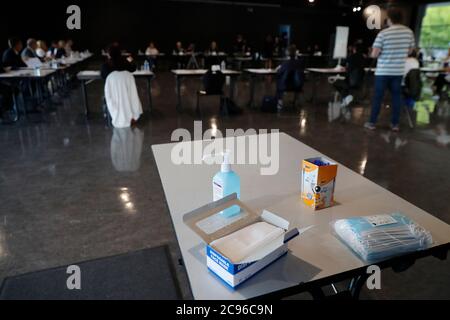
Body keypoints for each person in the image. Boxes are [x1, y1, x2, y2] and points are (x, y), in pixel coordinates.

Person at [364, 7, 415, 132]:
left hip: (383, 71)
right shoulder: (409, 32)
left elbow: (374, 54)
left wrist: (376, 53)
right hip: (397, 71)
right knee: (397, 97)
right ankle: (395, 124)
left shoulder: (383, 33)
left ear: (389, 19)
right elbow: (410, 51)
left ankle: (372, 123)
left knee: (378, 97)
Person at [275, 44, 305, 111]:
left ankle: (279, 102)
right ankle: (296, 100)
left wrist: (278, 69)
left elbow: (279, 72)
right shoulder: (300, 63)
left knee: (278, 81)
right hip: (298, 86)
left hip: (285, 86)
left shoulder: (286, 63)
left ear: (288, 52)